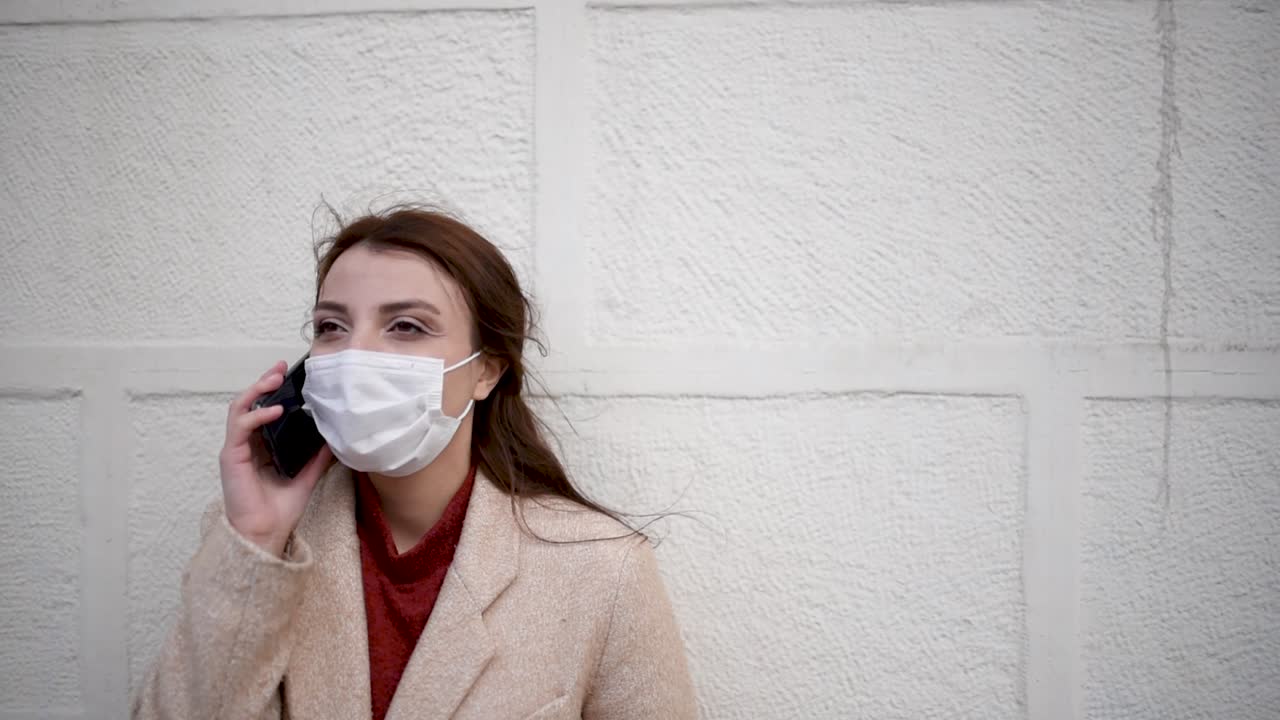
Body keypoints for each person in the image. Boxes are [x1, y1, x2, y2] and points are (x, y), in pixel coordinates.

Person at [132, 206, 696, 719]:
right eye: (331, 327)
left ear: (486, 370)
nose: (356, 354)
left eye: (406, 326)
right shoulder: (258, 547)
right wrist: (256, 540)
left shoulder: (603, 569)